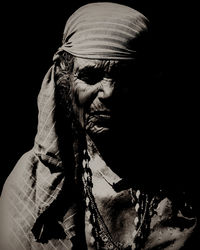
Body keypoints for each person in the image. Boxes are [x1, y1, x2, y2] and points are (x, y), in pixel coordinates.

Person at [0, 2, 198, 250]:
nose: (109, 93)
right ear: (65, 82)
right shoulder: (29, 183)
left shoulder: (184, 181)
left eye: (126, 76)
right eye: (90, 76)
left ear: (148, 84)